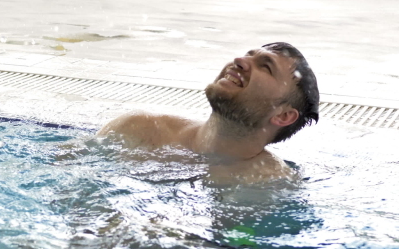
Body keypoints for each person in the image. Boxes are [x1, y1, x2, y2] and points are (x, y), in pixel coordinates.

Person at [97, 42, 319, 184]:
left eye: (265, 66)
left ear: (283, 115)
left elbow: (240, 245)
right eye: (247, 55)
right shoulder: (138, 129)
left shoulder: (268, 182)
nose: (239, 61)